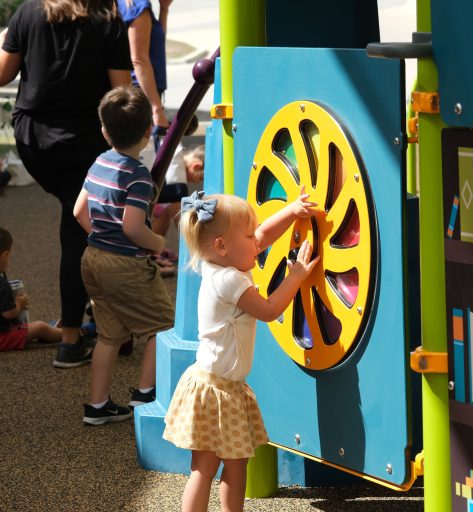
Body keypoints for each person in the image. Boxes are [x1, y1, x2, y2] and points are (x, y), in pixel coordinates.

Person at [163, 190, 321, 512]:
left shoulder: (220, 263)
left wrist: (292, 212)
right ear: (221, 245)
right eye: (247, 235)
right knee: (209, 468)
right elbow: (268, 309)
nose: (256, 241)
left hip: (220, 386)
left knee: (228, 466)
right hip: (217, 390)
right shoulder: (229, 281)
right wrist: (296, 277)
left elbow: (261, 238)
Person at [0, 0, 133, 368]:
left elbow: (3, 74)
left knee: (80, 219)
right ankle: (73, 338)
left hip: (33, 140)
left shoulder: (27, 13)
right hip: (83, 141)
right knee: (80, 229)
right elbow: (121, 94)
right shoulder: (108, 21)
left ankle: (100, 316)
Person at [73, 86, 175, 425]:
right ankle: (145, 394)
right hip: (124, 265)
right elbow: (133, 227)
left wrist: (102, 237)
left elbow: (79, 212)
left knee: (109, 334)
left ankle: (97, 406)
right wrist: (157, 244)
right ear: (148, 132)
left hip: (93, 258)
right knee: (162, 325)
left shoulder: (99, 161)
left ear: (105, 130)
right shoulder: (138, 176)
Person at [0, 227, 62, 350]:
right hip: (2, 337)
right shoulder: (1, 284)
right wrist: (19, 304)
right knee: (40, 327)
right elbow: (8, 313)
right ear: (4, 255)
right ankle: (72, 334)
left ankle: (53, 330)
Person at [117, 0, 172, 129]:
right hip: (142, 93)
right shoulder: (138, 5)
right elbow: (139, 60)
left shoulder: (131, 5)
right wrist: (156, 109)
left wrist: (164, 10)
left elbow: (156, 44)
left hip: (142, 90)